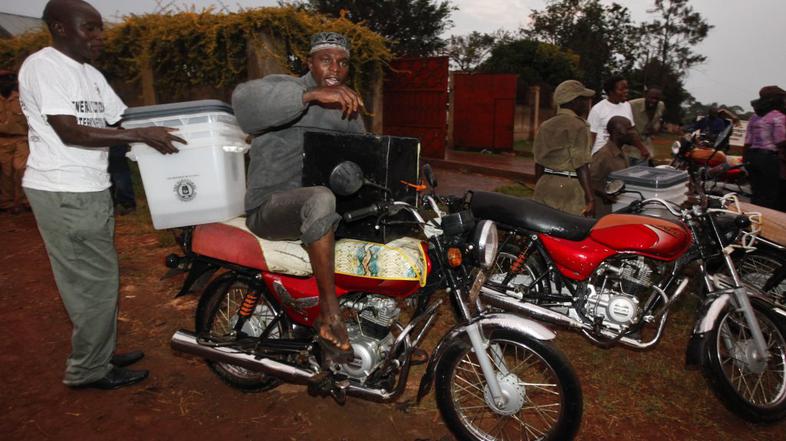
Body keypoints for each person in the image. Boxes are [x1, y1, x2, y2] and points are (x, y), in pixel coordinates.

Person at [19, 0, 185, 389]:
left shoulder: (89, 73)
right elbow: (71, 132)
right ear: (59, 27)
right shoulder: (45, 67)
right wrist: (143, 135)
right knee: (92, 282)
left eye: (99, 29)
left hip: (89, 187)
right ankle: (88, 369)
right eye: (88, 28)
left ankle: (99, 351)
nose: (98, 37)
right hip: (63, 189)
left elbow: (123, 119)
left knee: (100, 277)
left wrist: (186, 125)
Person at [231, 32, 365, 361]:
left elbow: (366, 155)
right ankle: (330, 316)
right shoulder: (286, 88)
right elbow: (243, 102)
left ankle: (375, 324)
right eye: (325, 59)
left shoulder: (346, 106)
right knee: (319, 198)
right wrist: (310, 96)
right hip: (270, 207)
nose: (335, 67)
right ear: (309, 63)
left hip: (319, 209)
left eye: (342, 62)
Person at [532, 79, 596, 217]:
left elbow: (538, 163)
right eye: (583, 99)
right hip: (569, 187)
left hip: (544, 183)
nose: (586, 104)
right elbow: (581, 164)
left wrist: (539, 186)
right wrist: (590, 198)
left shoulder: (545, 125)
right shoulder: (580, 126)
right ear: (574, 101)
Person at [744, 86, 786, 210]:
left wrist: (746, 159)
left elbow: (748, 141)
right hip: (769, 159)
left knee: (756, 193)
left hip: (752, 156)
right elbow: (781, 140)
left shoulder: (754, 116)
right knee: (769, 195)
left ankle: (752, 220)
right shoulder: (778, 116)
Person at [588, 75, 648, 161]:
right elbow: (591, 137)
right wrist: (588, 159)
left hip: (620, 155)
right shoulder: (597, 109)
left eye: (626, 88)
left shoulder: (626, 106)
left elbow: (631, 131)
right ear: (611, 92)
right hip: (601, 156)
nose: (626, 91)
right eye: (621, 89)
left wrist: (642, 149)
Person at [590, 116, 635, 216]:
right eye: (628, 129)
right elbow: (589, 182)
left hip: (616, 209)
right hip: (603, 211)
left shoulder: (621, 153)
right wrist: (604, 194)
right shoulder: (603, 155)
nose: (633, 133)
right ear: (616, 133)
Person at [0, 70, 30, 214]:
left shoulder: (22, 99)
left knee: (21, 168)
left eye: (8, 81)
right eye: (2, 81)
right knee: (6, 172)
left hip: (21, 139)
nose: (5, 84)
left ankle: (23, 201)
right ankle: (7, 202)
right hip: (2, 140)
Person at [627, 86, 665, 166]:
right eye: (651, 98)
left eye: (657, 99)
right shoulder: (632, 105)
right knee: (624, 173)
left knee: (641, 174)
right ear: (645, 96)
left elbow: (658, 122)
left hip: (645, 144)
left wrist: (655, 129)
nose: (654, 101)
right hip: (629, 145)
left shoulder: (660, 106)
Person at [108, 144, 136, 215]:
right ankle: (111, 206)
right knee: (107, 184)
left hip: (118, 156)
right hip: (101, 156)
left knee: (122, 183)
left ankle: (128, 205)